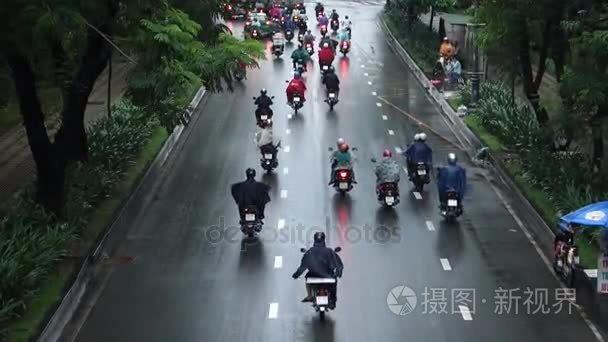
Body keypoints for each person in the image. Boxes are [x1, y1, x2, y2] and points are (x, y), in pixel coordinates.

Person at [292, 231, 343, 307]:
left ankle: (310, 296)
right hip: (328, 276)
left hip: (313, 276)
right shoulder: (329, 251)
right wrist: (339, 273)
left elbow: (302, 267)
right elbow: (339, 264)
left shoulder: (310, 252)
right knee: (334, 282)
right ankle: (333, 299)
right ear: (324, 240)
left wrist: (296, 275)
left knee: (307, 278)